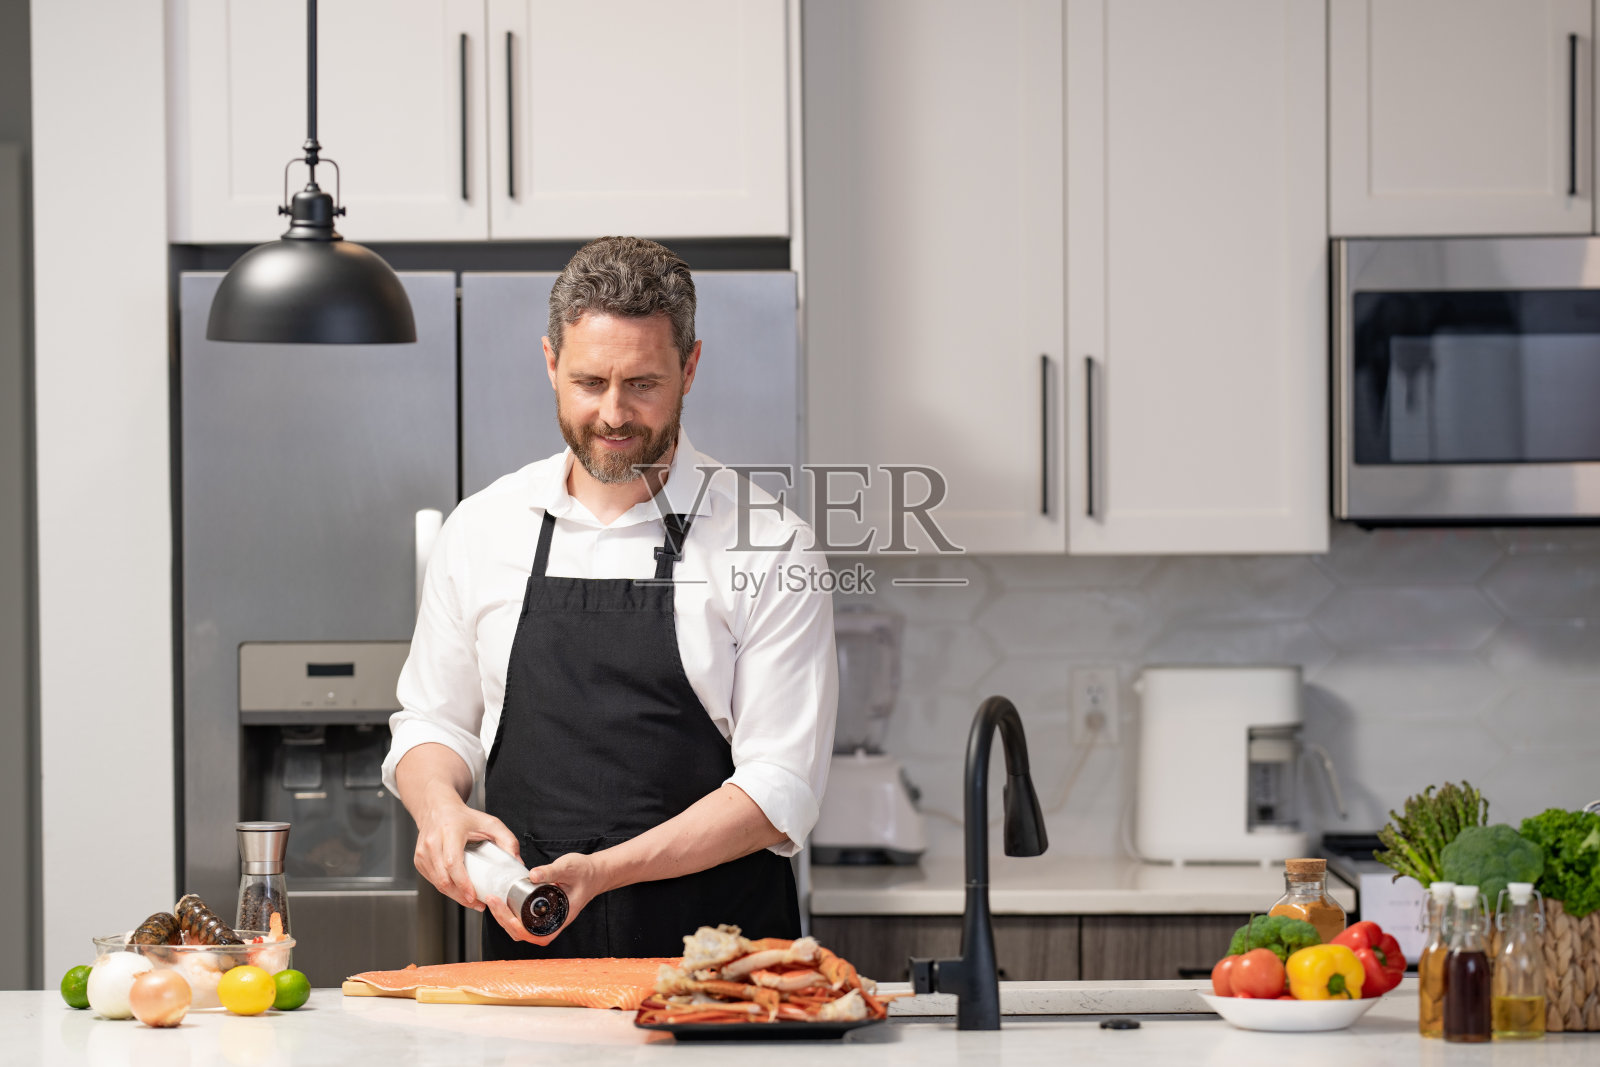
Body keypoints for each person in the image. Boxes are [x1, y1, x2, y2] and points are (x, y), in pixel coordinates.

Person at [382, 236, 838, 959]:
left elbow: (778, 787)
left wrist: (601, 872)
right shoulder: (484, 528)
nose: (614, 413)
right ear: (550, 363)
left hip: (721, 973)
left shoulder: (771, 543)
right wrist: (437, 804)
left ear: (689, 367)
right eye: (591, 381)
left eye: (643, 383)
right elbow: (432, 721)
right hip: (531, 967)